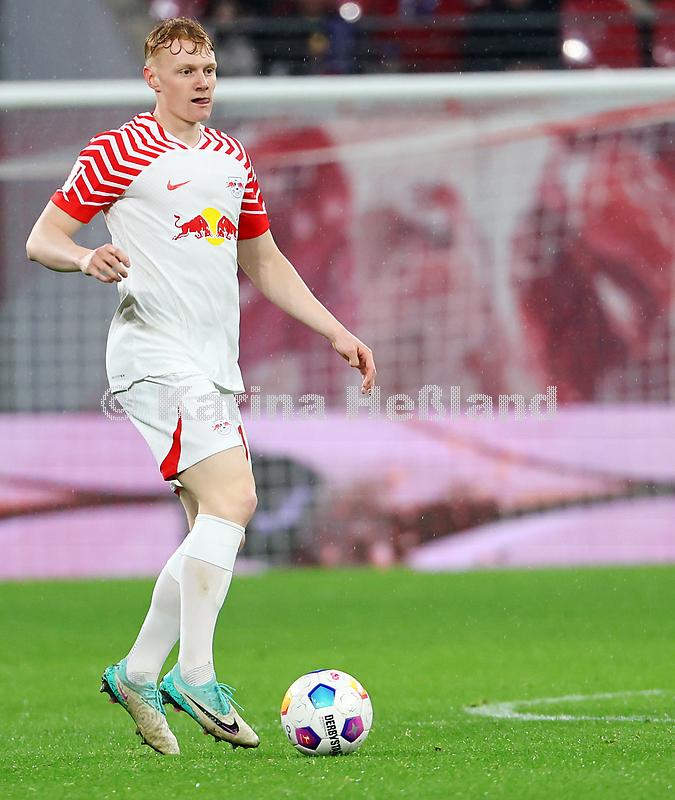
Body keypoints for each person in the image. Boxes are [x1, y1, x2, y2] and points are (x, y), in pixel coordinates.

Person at [25, 16, 376, 756]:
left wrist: (334, 329)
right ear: (152, 78)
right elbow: (43, 238)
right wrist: (86, 258)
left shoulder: (229, 156)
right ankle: (195, 674)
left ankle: (136, 671)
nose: (202, 82)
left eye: (208, 69)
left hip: (213, 363)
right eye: (185, 70)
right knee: (237, 499)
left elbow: (264, 260)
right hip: (152, 353)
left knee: (208, 528)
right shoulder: (119, 149)